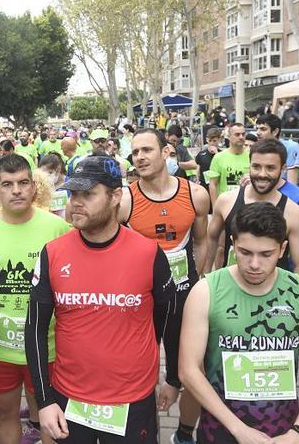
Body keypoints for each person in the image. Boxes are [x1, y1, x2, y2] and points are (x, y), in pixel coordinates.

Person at [26, 156, 183, 443]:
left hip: (132, 399)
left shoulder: (148, 253)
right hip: (69, 397)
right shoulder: (52, 253)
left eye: (88, 194)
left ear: (116, 196)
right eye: (73, 193)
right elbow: (35, 328)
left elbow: (169, 318)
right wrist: (45, 400)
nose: (76, 202)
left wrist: (173, 378)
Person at [180, 203, 299, 444]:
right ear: (232, 242)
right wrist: (238, 429)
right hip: (220, 429)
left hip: (284, 431)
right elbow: (188, 370)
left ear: (282, 249)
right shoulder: (206, 291)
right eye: (245, 252)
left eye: (266, 254)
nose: (254, 264)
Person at [0, 154, 71, 444]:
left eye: (23, 182)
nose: (17, 190)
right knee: (6, 415)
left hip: (46, 348)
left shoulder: (58, 229)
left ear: (34, 187)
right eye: (7, 184)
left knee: (48, 416)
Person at [119, 128, 210, 444]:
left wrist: (201, 283)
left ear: (166, 151)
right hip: (141, 300)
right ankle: (140, 430)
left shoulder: (195, 194)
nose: (140, 157)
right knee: (135, 371)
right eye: (135, 152)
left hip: (184, 295)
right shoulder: (125, 199)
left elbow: (202, 242)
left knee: (190, 369)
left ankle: (185, 433)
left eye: (146, 150)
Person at [205, 139, 299, 279]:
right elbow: (212, 240)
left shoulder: (294, 213)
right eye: (256, 166)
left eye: (270, 168)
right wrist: (206, 276)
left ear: (283, 168)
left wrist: (289, 297)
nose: (262, 174)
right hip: (230, 289)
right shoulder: (226, 201)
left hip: (273, 295)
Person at [205, 124, 249, 208]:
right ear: (228, 136)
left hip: (246, 206)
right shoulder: (218, 157)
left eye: (243, 134)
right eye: (237, 134)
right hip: (225, 206)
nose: (241, 137)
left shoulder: (252, 156)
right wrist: (215, 207)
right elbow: (212, 184)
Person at [255, 114, 299, 185]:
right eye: (257, 129)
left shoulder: (290, 147)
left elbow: (292, 184)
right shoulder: (256, 148)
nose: (257, 133)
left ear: (275, 132)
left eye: (263, 129)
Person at [194, 128, 221, 193]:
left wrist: (216, 153)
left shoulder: (222, 154)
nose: (212, 143)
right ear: (206, 140)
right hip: (203, 186)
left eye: (214, 141)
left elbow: (223, 166)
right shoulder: (201, 154)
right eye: (210, 140)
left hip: (217, 185)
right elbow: (198, 167)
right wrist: (197, 180)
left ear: (219, 140)